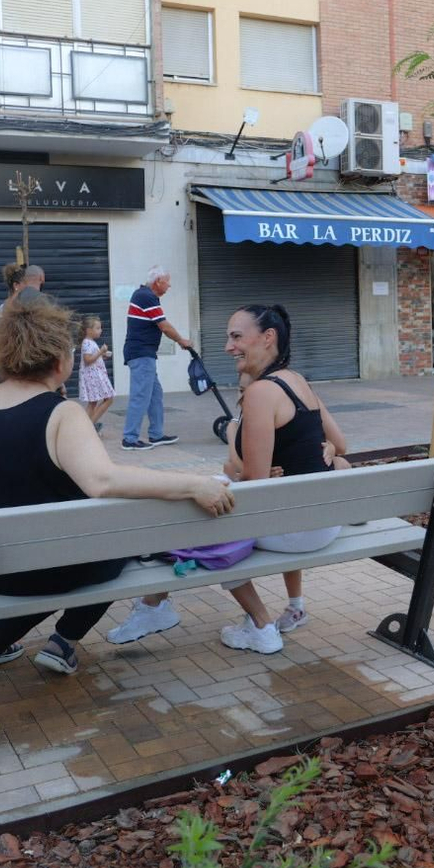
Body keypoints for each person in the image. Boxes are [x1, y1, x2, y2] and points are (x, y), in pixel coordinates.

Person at [0, 297, 234, 675]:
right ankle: (64, 640)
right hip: (44, 568)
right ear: (60, 361)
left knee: (65, 555)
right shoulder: (61, 413)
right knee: (118, 544)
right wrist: (194, 485)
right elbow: (103, 480)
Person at [106, 305, 347, 655]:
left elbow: (255, 485)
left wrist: (232, 477)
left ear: (268, 338)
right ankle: (154, 606)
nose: (228, 346)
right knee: (205, 497)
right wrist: (325, 451)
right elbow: (340, 446)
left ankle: (260, 626)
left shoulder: (262, 393)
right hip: (322, 521)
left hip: (298, 530)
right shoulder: (297, 381)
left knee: (200, 516)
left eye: (236, 336)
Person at [122, 266, 193, 451]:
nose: (169, 286)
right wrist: (181, 340)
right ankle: (130, 439)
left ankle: (156, 434)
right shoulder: (146, 296)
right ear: (157, 282)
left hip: (144, 354)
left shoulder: (145, 295)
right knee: (140, 395)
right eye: (167, 281)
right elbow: (164, 326)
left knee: (155, 394)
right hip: (141, 354)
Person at [78, 315, 115, 432]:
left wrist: (102, 356)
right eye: (98, 328)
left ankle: (85, 426)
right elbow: (87, 360)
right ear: (89, 330)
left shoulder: (90, 342)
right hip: (93, 377)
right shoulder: (87, 343)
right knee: (108, 398)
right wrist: (101, 352)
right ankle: (90, 426)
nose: (101, 330)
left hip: (95, 375)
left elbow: (92, 360)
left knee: (93, 402)